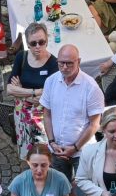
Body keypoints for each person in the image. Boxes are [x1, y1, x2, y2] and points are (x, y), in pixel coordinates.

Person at [42, 44, 104, 182]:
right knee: (62, 189)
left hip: (82, 152)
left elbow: (94, 124)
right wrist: (52, 142)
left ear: (79, 62)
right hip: (57, 149)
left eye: (69, 63)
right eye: (61, 63)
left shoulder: (91, 88)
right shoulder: (51, 82)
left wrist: (75, 147)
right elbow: (47, 115)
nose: (64, 67)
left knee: (85, 190)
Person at [6, 22, 57, 160]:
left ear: (47, 41)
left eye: (41, 42)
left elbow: (52, 95)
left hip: (42, 117)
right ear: (27, 44)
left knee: (44, 153)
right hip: (22, 116)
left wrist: (21, 91)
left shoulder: (53, 64)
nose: (38, 46)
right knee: (27, 152)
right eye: (33, 43)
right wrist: (34, 92)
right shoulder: (21, 57)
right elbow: (10, 89)